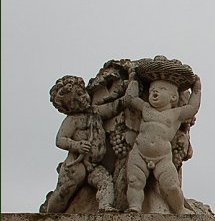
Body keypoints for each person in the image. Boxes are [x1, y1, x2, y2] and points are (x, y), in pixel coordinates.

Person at [41, 75, 122, 213]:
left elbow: (113, 108)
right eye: (73, 101)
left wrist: (129, 94)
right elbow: (60, 139)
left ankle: (105, 207)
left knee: (105, 182)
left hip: (93, 165)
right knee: (64, 192)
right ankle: (49, 214)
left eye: (80, 93)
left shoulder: (95, 112)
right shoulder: (72, 120)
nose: (80, 99)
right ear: (67, 108)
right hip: (75, 165)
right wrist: (77, 145)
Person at [125, 69, 201, 213]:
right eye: (152, 89)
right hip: (139, 152)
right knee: (134, 181)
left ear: (173, 96)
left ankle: (179, 209)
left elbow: (192, 108)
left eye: (161, 89)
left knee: (171, 186)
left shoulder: (175, 114)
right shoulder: (146, 108)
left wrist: (197, 90)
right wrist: (133, 81)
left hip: (162, 157)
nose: (155, 92)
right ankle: (134, 207)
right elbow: (131, 99)